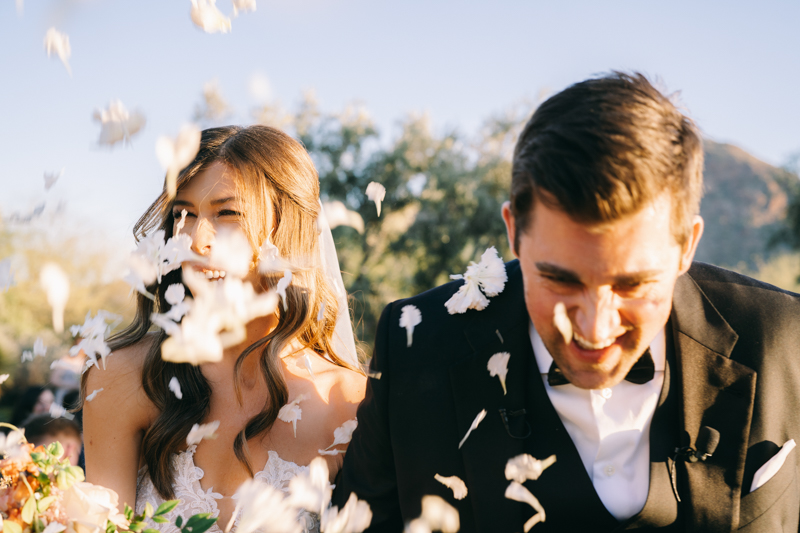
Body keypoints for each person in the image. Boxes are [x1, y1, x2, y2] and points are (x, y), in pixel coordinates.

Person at [334, 73, 800, 532]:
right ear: (514, 231)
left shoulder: (785, 339)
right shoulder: (416, 348)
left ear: (686, 246)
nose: (595, 329)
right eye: (560, 280)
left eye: (632, 285)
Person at [83, 125, 366, 533]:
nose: (197, 240)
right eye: (184, 214)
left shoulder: (347, 403)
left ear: (287, 231)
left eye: (227, 213)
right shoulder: (123, 378)